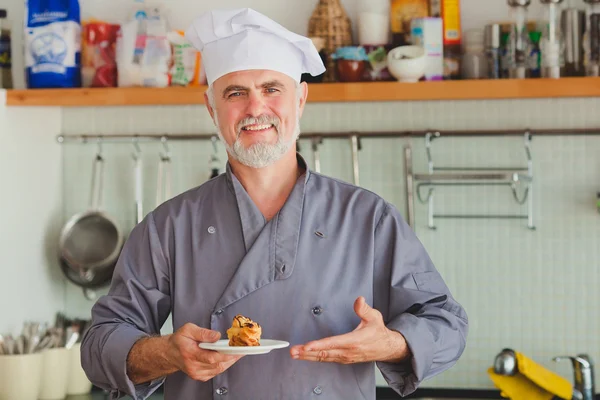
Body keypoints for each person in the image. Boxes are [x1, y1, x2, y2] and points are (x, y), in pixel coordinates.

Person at [80, 7, 468, 400]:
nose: (255, 109)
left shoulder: (367, 218)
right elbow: (100, 346)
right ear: (211, 107)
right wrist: (165, 353)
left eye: (271, 89)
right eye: (235, 93)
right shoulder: (170, 226)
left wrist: (391, 343)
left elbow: (446, 324)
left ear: (300, 99)